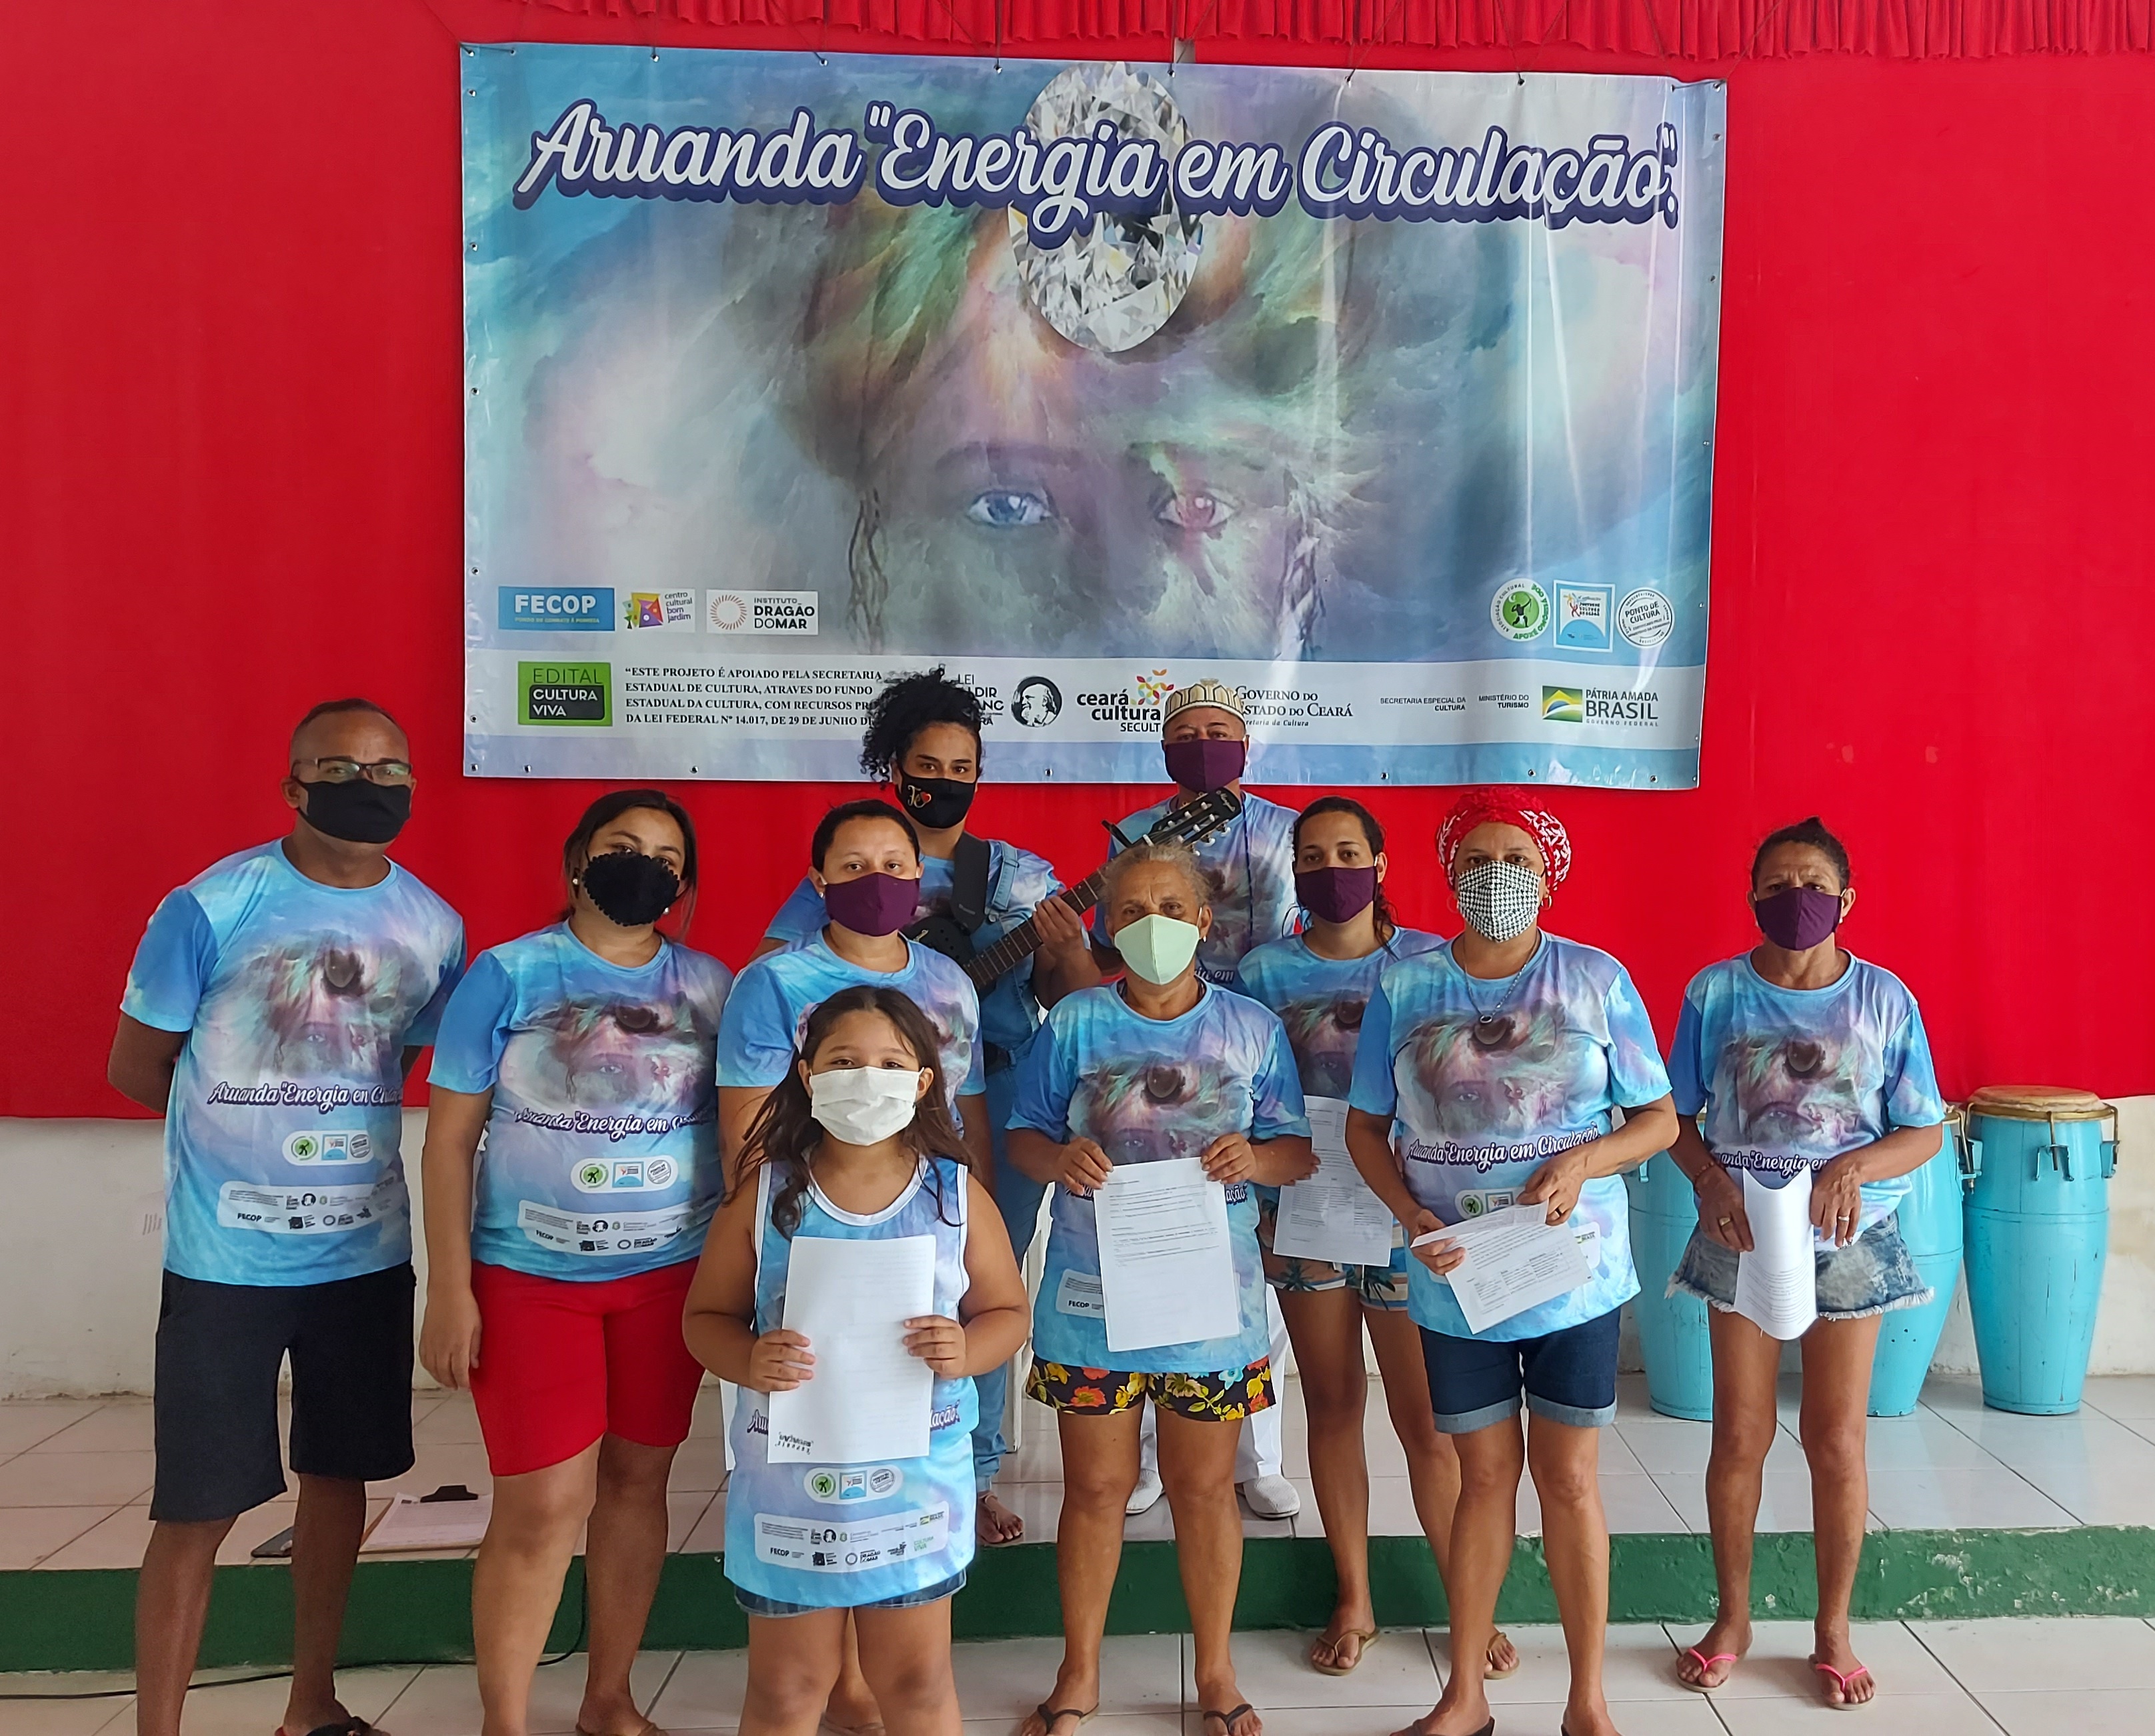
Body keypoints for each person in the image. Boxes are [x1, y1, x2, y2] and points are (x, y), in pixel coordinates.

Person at [107, 698, 464, 1736]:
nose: (369, 785)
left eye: (391, 769)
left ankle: (313, 1705)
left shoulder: (434, 927)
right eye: (341, 767)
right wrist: (240, 1127)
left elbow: (399, 1063)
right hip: (226, 1261)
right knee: (198, 1505)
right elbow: (137, 1066)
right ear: (293, 785)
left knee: (338, 1477)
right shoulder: (213, 905)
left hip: (363, 1253)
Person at [1344, 790, 1676, 1736]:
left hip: (1570, 1273)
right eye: (1479, 862)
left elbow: (1657, 1119)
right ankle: (1464, 1696)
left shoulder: (1594, 979)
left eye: (1518, 862)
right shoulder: (1406, 988)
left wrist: (1584, 1160)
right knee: (1483, 1478)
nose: (1499, 877)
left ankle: (1587, 1701)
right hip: (1458, 1276)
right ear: (1449, 876)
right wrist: (1407, 1211)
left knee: (1569, 1480)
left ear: (1549, 877)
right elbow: (1366, 1127)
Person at [757, 668, 1098, 1545]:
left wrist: (1065, 949)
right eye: (927, 765)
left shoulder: (1021, 878)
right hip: (854, 1108)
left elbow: (1075, 1001)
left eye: (962, 767)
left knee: (981, 1287)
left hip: (996, 1093)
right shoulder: (855, 858)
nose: (944, 780)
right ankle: (837, 1442)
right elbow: (782, 979)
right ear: (894, 769)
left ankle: (972, 1471)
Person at [417, 789, 731, 1736]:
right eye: (623, 846)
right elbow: (449, 1141)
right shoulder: (507, 975)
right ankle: (506, 1721)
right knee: (545, 1501)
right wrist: (450, 1288)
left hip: (668, 1279)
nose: (645, 867)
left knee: (638, 1483)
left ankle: (609, 1699)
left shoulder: (711, 987)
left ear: (683, 884)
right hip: (529, 1280)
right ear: (575, 862)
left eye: (666, 858)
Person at [1009, 843, 1315, 1736]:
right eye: (1132, 911)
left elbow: (1297, 1151)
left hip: (1208, 1309)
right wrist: (1058, 1158)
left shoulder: (1250, 1029)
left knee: (1204, 1489)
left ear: (1204, 921)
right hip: (1091, 1304)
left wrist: (1255, 1159)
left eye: (1171, 909)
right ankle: (1078, 1674)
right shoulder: (1073, 1025)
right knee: (1095, 1490)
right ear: (1107, 926)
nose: (1153, 926)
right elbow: (1023, 1136)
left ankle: (1215, 1674)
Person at [683, 986, 1029, 1736]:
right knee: (786, 1690)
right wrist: (748, 1357)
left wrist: (968, 1350)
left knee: (916, 1683)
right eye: (843, 1062)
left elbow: (1007, 1313)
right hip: (791, 1493)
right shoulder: (766, 1193)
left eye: (890, 1064)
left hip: (912, 1489)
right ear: (807, 1076)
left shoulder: (955, 1194)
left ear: (924, 1082)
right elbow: (703, 1321)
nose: (867, 1079)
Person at [1234, 799, 1518, 1681]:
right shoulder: (1262, 971)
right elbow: (1244, 1089)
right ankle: (1353, 1595)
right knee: (1331, 1405)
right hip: (1304, 1213)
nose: (1333, 870)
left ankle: (1463, 1597)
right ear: (1295, 872)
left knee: (1426, 1419)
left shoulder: (1429, 964)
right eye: (1314, 857)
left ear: (1382, 864)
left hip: (1407, 1217)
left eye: (1349, 852)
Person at [1666, 817, 1944, 1709]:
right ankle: (1733, 1619)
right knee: (1738, 1435)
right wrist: (1708, 1178)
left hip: (1849, 1241)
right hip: (1741, 1235)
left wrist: (1854, 1167)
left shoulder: (1884, 999)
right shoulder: (1716, 993)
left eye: (1815, 885)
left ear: (1847, 899)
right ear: (1752, 897)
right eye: (1779, 885)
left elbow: (1924, 1128)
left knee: (1835, 1438)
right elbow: (1670, 1116)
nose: (1798, 899)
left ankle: (1833, 1629)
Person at [1104, 678, 1300, 1519]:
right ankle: (1154, 1454)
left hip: (1260, 1056)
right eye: (1186, 733)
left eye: (1219, 730)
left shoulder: (1287, 831)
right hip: (1151, 1062)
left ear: (1245, 746)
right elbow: (1108, 945)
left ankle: (1260, 1456)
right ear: (1163, 751)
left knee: (1259, 1261)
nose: (1204, 743)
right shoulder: (1135, 837)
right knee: (1156, 1255)